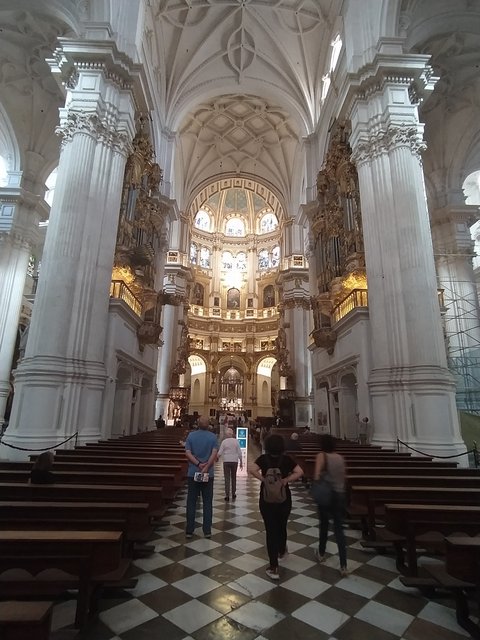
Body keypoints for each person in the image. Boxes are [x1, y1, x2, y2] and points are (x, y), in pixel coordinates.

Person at [250, 434, 303, 580]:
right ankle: (281, 551)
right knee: (282, 525)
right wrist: (286, 480)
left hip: (266, 499)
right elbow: (300, 472)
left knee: (270, 529)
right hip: (284, 498)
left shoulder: (263, 459)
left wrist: (263, 480)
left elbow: (251, 469)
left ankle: (273, 567)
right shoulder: (287, 459)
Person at [313, 433, 348, 576]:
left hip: (327, 495)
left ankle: (321, 553)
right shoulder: (340, 457)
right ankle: (344, 565)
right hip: (339, 494)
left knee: (324, 525)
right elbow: (344, 476)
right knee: (339, 529)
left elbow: (316, 476)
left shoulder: (322, 456)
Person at [184, 415, 218, 538]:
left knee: (191, 501)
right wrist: (206, 467)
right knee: (207, 502)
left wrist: (198, 464)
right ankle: (207, 530)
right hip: (208, 474)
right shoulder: (213, 437)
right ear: (208, 425)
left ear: (198, 424)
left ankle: (189, 530)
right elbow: (214, 454)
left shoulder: (191, 436)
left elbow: (187, 453)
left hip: (193, 472)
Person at [217, 427, 243, 501]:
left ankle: (227, 495)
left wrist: (217, 458)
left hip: (226, 461)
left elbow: (220, 452)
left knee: (227, 478)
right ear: (232, 434)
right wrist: (241, 461)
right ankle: (233, 493)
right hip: (234, 461)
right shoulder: (236, 441)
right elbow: (239, 452)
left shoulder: (224, 442)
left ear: (226, 434)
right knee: (234, 477)